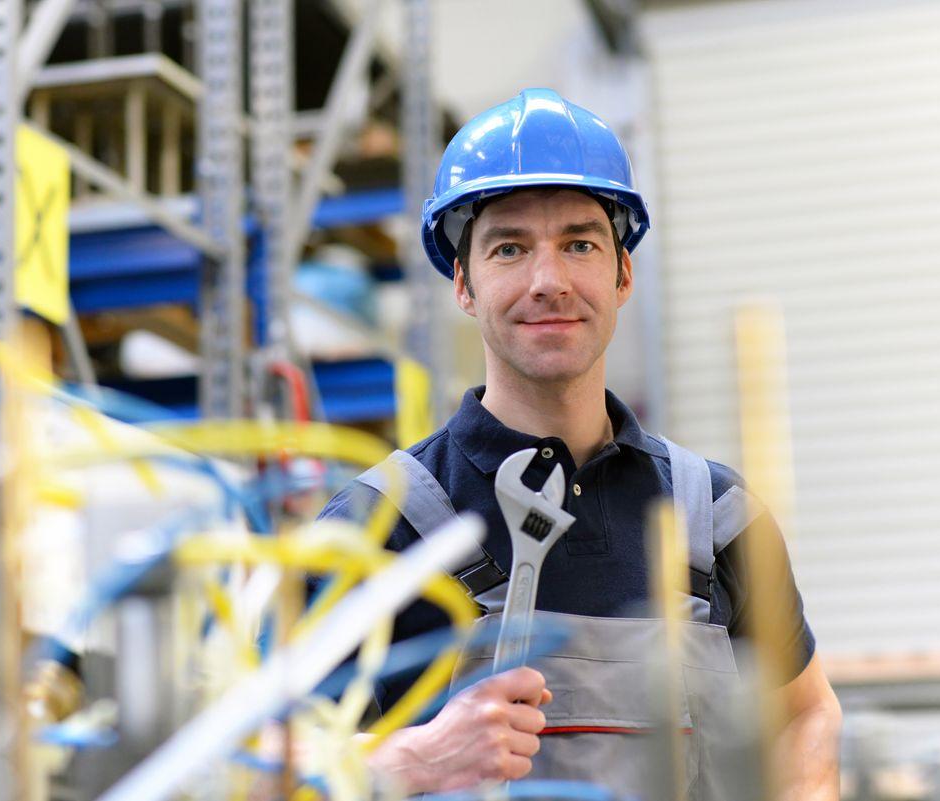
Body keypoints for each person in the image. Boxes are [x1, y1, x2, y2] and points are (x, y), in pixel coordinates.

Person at [318, 88, 842, 800]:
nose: (548, 280)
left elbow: (804, 714)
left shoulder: (718, 517)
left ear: (622, 274)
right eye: (510, 247)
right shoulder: (376, 527)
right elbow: (247, 765)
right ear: (464, 285)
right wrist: (413, 759)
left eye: (580, 243)